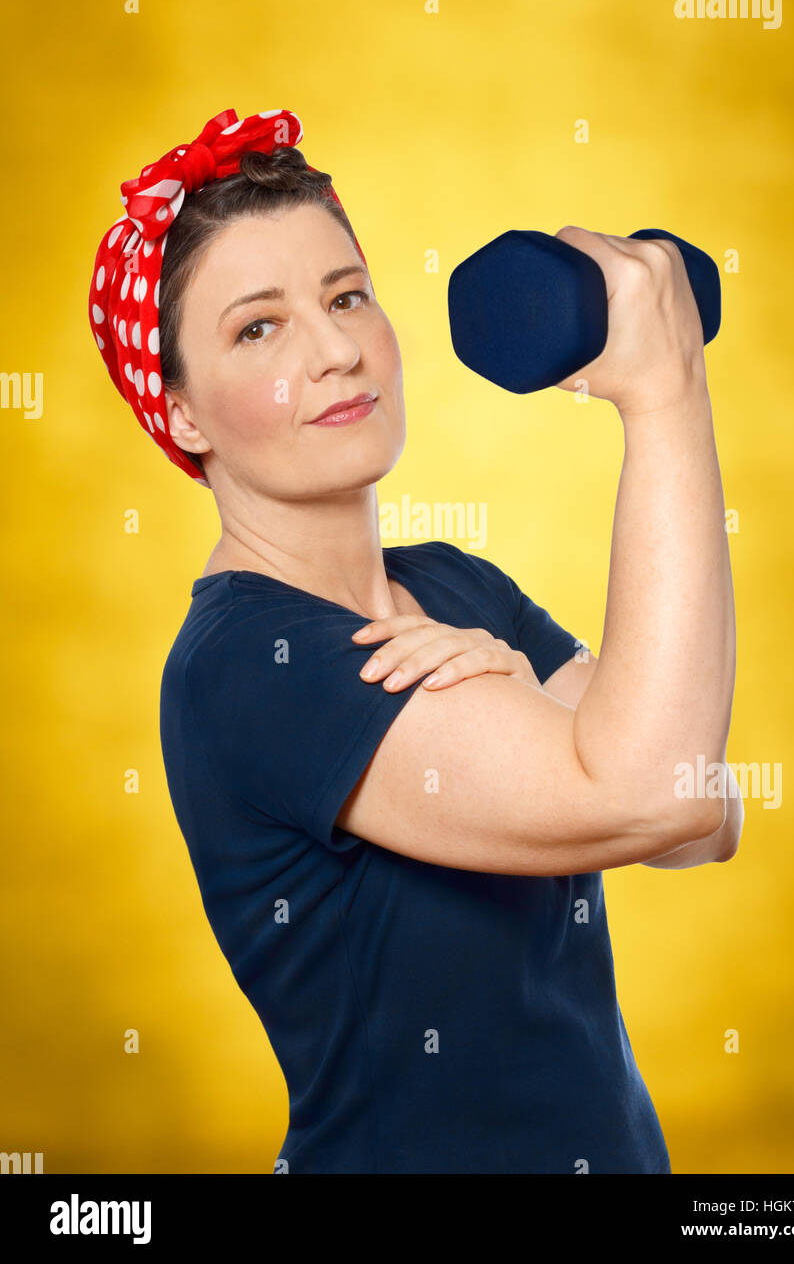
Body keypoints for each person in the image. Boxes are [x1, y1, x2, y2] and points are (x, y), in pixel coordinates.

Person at [88, 107, 743, 1175]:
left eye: (345, 295)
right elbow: (656, 791)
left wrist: (538, 699)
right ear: (185, 415)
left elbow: (700, 811)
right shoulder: (251, 664)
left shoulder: (452, 584)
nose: (339, 349)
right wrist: (663, 391)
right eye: (259, 328)